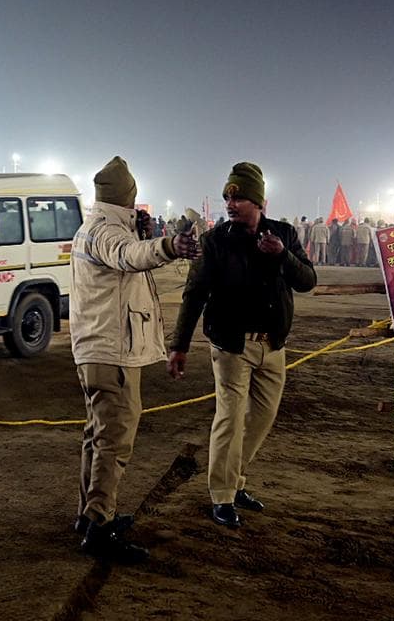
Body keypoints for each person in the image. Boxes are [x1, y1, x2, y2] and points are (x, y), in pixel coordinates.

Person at [168, 162, 317, 529]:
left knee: (262, 418)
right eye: (227, 198)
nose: (231, 204)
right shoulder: (215, 241)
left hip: (274, 345)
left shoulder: (283, 234)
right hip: (232, 346)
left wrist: (282, 255)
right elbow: (194, 294)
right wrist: (179, 345)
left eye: (240, 198)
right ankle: (221, 495)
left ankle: (235, 482)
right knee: (230, 419)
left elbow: (308, 281)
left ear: (260, 201)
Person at [71, 156, 201, 564]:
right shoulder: (106, 232)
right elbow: (129, 255)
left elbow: (127, 255)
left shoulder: (94, 227)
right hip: (111, 352)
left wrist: (145, 235)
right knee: (115, 442)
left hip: (97, 349)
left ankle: (90, 515)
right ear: (128, 196)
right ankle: (100, 529)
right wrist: (168, 246)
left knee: (97, 437)